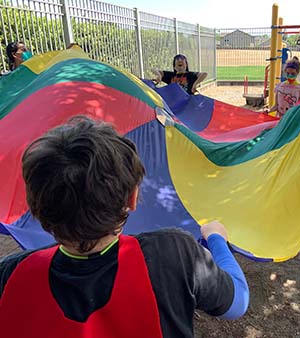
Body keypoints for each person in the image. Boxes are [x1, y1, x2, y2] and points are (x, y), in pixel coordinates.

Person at [0, 116, 249, 337]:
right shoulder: (174, 254)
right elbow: (237, 303)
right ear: (132, 198)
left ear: (36, 208)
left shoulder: (9, 276)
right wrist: (216, 238)